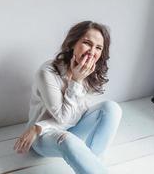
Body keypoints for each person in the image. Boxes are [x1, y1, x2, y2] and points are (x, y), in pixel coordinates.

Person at [13, 21, 122, 174]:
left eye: (98, 48)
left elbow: (77, 115)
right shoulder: (48, 72)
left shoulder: (88, 71)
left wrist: (40, 125)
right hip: (42, 137)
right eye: (86, 43)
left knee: (111, 108)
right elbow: (63, 118)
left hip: (49, 128)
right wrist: (76, 82)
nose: (92, 51)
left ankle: (93, 164)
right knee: (68, 139)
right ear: (72, 43)